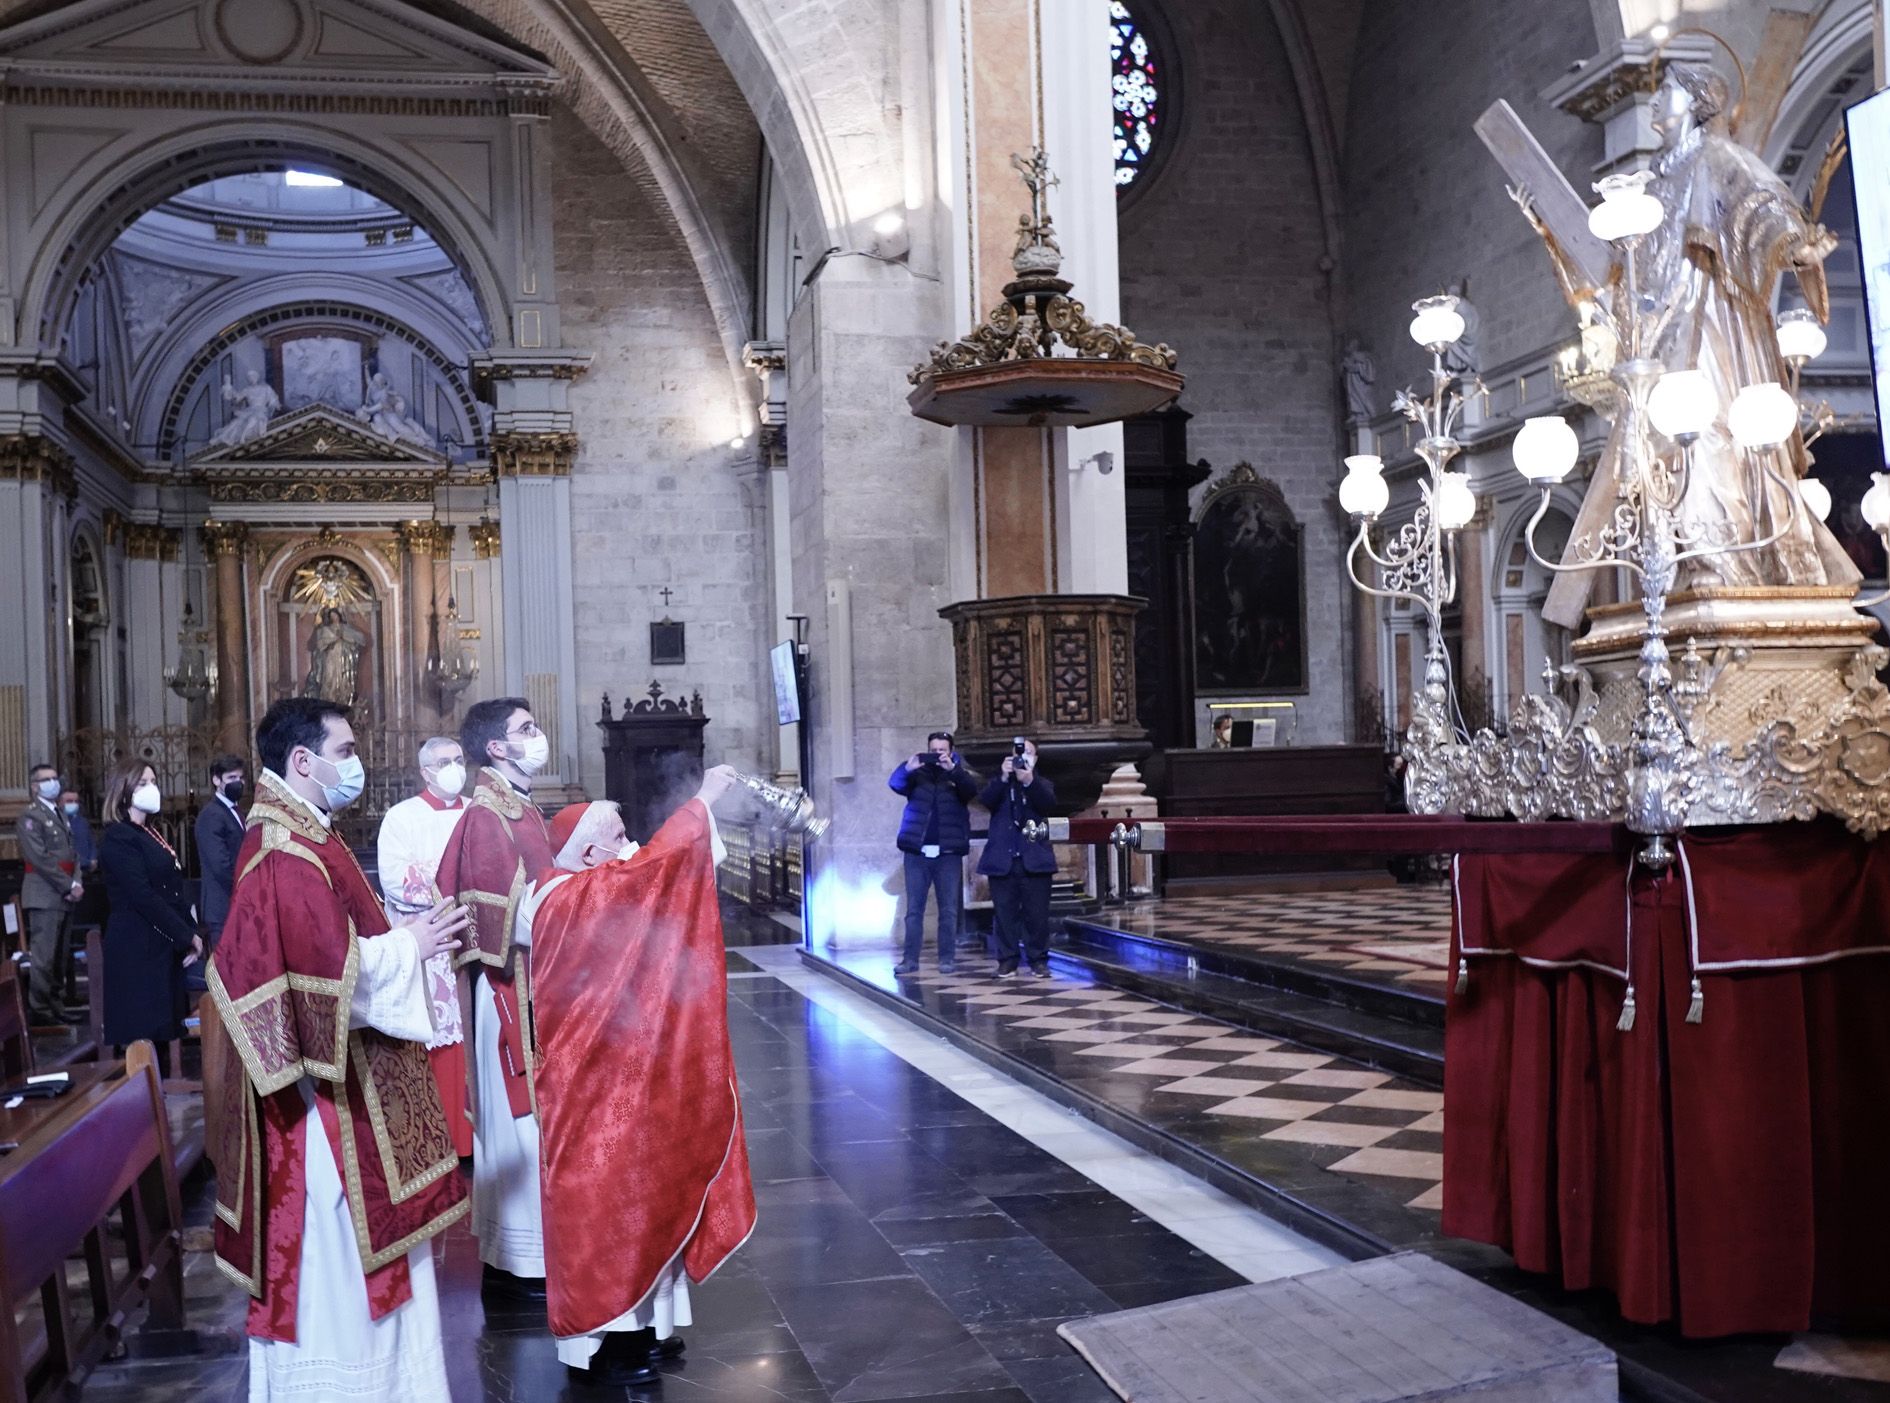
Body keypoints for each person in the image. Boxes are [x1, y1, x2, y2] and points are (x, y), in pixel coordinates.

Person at [209, 697, 470, 1401]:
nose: (355, 762)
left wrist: (405, 937)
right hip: (319, 1111)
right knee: (333, 1260)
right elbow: (327, 980)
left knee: (368, 1257)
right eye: (346, 749)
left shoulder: (309, 834)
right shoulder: (283, 854)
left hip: (341, 1081)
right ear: (303, 760)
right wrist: (409, 946)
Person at [520, 773, 756, 1388]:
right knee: (604, 1201)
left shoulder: (592, 885)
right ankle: (604, 1339)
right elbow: (656, 868)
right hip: (589, 1081)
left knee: (650, 1190)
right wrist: (701, 801)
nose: (631, 845)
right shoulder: (566, 898)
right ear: (591, 853)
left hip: (630, 1065)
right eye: (619, 837)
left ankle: (651, 1323)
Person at [435, 696, 555, 1301]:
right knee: (518, 1128)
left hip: (536, 984)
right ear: (496, 748)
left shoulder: (521, 808)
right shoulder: (487, 816)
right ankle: (518, 1260)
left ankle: (528, 1251)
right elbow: (501, 921)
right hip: (508, 990)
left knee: (534, 1127)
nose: (538, 737)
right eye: (525, 730)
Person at [375, 736, 473, 1157]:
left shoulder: (477, 811)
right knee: (438, 1038)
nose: (453, 767)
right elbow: (395, 877)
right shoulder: (402, 817)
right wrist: (455, 886)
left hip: (475, 938)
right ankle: (439, 1142)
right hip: (430, 942)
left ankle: (474, 1142)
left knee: (474, 1036)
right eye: (443, 762)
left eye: (458, 760)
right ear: (425, 772)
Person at [98, 761, 200, 1055]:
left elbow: (173, 889)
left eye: (153, 780)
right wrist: (185, 936)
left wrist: (191, 933)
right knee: (143, 1030)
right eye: (142, 783)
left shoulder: (150, 833)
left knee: (164, 1028)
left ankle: (161, 1090)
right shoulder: (119, 837)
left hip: (160, 942)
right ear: (124, 789)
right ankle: (147, 1093)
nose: (151, 788)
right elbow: (143, 896)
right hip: (136, 944)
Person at [888, 732, 977, 975]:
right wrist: (908, 768)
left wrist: (953, 771)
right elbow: (895, 784)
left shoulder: (958, 773)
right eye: (933, 749)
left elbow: (971, 791)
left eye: (942, 750)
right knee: (913, 910)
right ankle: (910, 960)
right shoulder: (917, 772)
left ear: (951, 750)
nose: (937, 754)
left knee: (948, 909)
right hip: (916, 852)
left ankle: (946, 959)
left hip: (948, 853)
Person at [977, 739, 1059, 979]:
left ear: (1035, 759)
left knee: (1037, 916)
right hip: (1003, 860)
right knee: (1004, 915)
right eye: (1017, 755)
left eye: (1028, 755)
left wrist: (1029, 781)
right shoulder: (999, 785)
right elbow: (985, 801)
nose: (1022, 760)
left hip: (1034, 860)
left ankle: (1039, 960)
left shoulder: (1042, 783)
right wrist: (1003, 778)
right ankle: (1007, 960)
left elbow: (1048, 804)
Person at [16, 762, 82, 1024]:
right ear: (35, 786)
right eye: (47, 779)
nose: (54, 782)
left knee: (59, 955)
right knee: (43, 956)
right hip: (45, 894)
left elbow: (72, 853)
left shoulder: (60, 813)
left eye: (55, 777)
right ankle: (41, 1010)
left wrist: (76, 882)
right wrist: (68, 885)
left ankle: (56, 1004)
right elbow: (40, 859)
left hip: (64, 892)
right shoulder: (31, 816)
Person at [193, 754, 248, 975]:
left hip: (237, 904)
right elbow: (221, 865)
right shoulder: (212, 815)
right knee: (228, 974)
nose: (238, 782)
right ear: (217, 780)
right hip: (222, 906)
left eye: (241, 777)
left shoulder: (235, 811)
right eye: (231, 777)